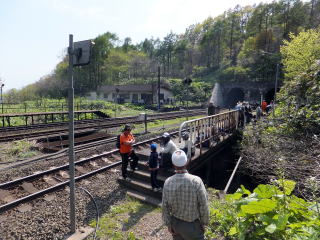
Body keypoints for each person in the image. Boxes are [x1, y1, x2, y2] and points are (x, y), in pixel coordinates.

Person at [162, 150, 209, 240]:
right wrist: (204, 223)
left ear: (173, 164)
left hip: (175, 223)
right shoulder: (196, 181)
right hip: (193, 225)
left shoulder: (168, 182)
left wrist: (168, 224)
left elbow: (165, 206)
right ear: (186, 162)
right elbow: (204, 205)